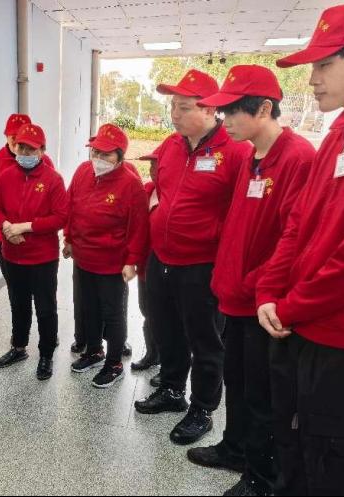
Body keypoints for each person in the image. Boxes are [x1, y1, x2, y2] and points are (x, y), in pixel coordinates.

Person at [256, 4, 344, 495]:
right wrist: (270, 290)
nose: (312, 79)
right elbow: (299, 222)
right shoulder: (338, 136)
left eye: (325, 64)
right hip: (301, 327)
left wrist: (290, 306)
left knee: (341, 466)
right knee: (297, 448)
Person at [186, 65, 316, 497]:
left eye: (232, 112)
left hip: (263, 303)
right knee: (238, 383)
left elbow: (293, 241)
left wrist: (253, 284)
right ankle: (235, 448)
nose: (224, 121)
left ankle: (261, 477)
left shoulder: (297, 158)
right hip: (235, 297)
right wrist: (227, 277)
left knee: (264, 396)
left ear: (263, 108)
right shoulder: (248, 156)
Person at [134, 69, 251, 446]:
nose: (174, 114)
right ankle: (171, 389)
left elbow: (241, 213)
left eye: (183, 107)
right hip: (162, 258)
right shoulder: (171, 145)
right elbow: (162, 192)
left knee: (205, 340)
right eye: (172, 105)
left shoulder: (236, 151)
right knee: (165, 329)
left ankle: (202, 408)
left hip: (203, 265)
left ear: (209, 110)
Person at [65, 124, 148, 389]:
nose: (99, 159)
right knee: (88, 308)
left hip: (112, 263)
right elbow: (70, 206)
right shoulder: (82, 172)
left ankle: (114, 363)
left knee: (113, 314)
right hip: (83, 257)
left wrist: (131, 261)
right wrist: (68, 239)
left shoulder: (130, 184)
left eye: (106, 154)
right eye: (96, 152)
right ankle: (93, 351)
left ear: (120, 156)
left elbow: (139, 227)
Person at [0, 124, 68, 380]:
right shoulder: (6, 176)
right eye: (21, 147)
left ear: (42, 151)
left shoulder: (53, 179)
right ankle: (19, 347)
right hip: (13, 255)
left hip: (43, 257)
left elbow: (60, 217)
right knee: (18, 303)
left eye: (31, 149)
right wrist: (6, 226)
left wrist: (26, 227)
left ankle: (46, 354)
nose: (25, 153)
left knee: (45, 307)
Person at [0, 113, 32, 278]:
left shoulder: (43, 160)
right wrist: (9, 228)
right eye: (13, 137)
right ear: (6, 136)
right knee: (13, 284)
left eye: (22, 136)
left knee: (38, 286)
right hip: (7, 235)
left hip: (36, 236)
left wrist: (31, 226)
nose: (18, 142)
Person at [131, 147, 162, 372]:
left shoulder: (179, 193)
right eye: (151, 165)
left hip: (166, 265)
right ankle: (152, 354)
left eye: (157, 165)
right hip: (145, 264)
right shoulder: (148, 190)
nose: (152, 170)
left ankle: (170, 365)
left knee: (166, 316)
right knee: (147, 311)